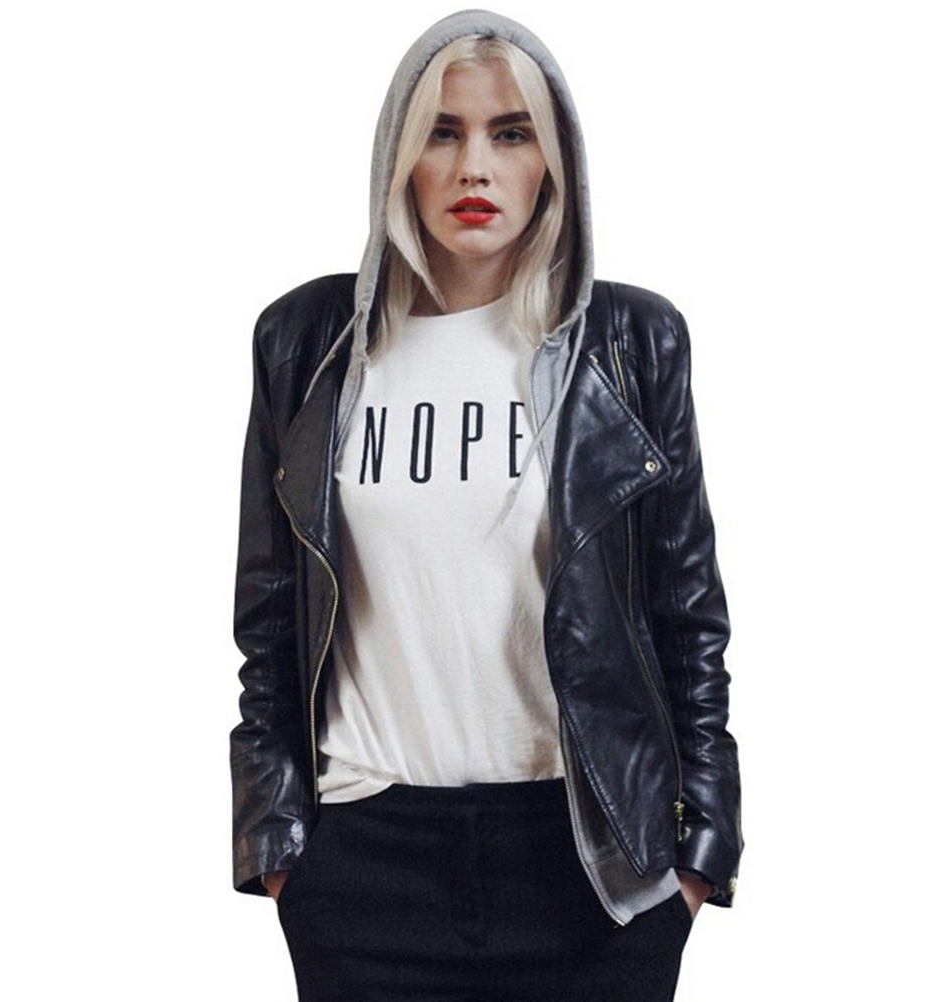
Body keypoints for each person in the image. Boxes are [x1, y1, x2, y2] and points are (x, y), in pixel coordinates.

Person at [230, 10, 742, 1001]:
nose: (476, 167)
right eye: (442, 132)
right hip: (365, 865)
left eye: (511, 134)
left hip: (592, 864)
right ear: (399, 156)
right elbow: (270, 618)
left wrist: (698, 860)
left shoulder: (632, 344)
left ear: (554, 162)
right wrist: (280, 852)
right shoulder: (305, 343)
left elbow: (689, 622)